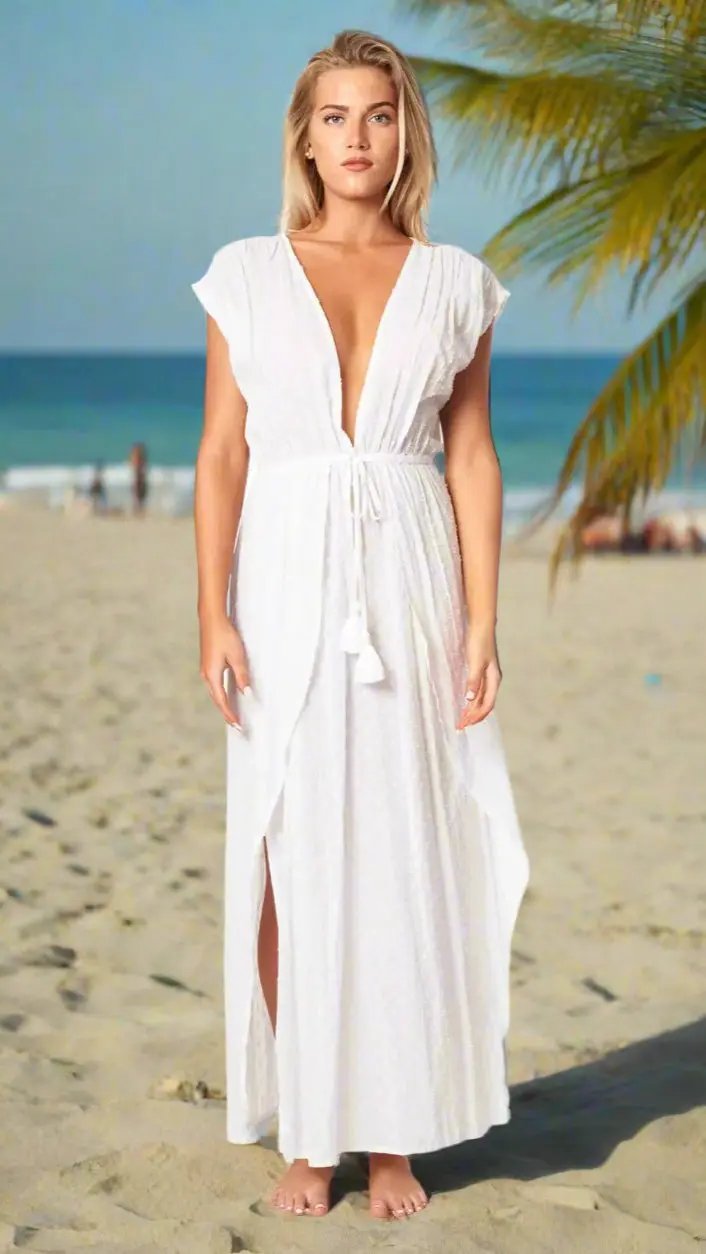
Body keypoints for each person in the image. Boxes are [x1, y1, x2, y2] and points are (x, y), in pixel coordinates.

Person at [191, 28, 530, 1223]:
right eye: (334, 117)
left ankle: (390, 1132)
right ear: (303, 135)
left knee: (404, 848)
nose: (356, 139)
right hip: (282, 583)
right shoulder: (243, 273)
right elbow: (223, 453)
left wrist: (483, 620)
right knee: (286, 847)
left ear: (405, 134)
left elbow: (474, 455)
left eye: (378, 116)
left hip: (411, 579)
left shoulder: (456, 283)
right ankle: (311, 1124)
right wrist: (212, 612)